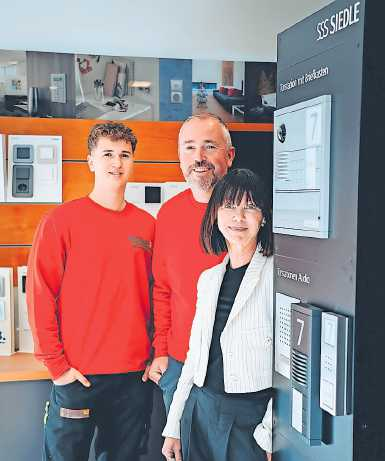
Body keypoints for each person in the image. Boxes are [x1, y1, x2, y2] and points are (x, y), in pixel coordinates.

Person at [27, 122, 155, 461]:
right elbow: (41, 295)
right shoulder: (60, 221)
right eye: (108, 154)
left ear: (132, 162)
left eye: (124, 155)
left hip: (133, 378)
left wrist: (156, 353)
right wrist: (57, 368)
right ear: (91, 162)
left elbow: (158, 294)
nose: (117, 162)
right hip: (77, 378)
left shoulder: (147, 226)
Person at [162, 168, 274, 461]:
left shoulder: (277, 276)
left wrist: (271, 435)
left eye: (250, 206)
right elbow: (194, 355)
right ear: (215, 214)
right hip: (200, 409)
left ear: (263, 217)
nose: (238, 217)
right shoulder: (209, 278)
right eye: (229, 206)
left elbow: (289, 369)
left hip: (250, 419)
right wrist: (173, 425)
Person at [148, 114, 235, 412]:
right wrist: (161, 351)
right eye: (189, 147)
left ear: (229, 155)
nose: (198, 157)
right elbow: (162, 290)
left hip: (234, 369)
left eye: (209, 146)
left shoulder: (246, 216)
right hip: (179, 364)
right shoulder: (168, 214)